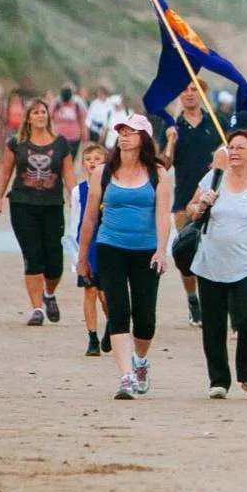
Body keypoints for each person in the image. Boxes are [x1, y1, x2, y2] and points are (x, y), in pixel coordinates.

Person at [76, 113, 173, 400]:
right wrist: (82, 257)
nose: (124, 136)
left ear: (144, 138)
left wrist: (161, 250)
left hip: (146, 251)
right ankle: (126, 376)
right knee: (118, 311)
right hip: (110, 247)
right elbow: (90, 218)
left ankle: (140, 361)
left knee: (145, 319)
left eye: (131, 131)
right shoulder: (103, 172)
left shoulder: (158, 173)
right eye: (121, 131)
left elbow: (162, 215)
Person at [186, 129, 247, 399]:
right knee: (214, 323)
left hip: (246, 265)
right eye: (231, 147)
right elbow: (190, 210)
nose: (234, 152)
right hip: (210, 262)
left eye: (241, 148)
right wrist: (201, 204)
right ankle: (218, 380)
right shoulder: (213, 178)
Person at [0, 97, 79, 325]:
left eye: (43, 112)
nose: (40, 115)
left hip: (52, 206)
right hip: (22, 205)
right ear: (28, 118)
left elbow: (69, 174)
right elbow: (5, 171)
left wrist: (76, 197)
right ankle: (37, 309)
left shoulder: (61, 144)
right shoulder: (16, 143)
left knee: (54, 262)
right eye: (36, 112)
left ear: (48, 116)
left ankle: (49, 294)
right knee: (33, 256)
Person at [160, 82, 224, 328]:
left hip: (215, 195)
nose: (189, 94)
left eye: (194, 89)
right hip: (184, 199)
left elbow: (229, 155)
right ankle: (192, 298)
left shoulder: (215, 122)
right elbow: (164, 164)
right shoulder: (173, 126)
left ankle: (212, 303)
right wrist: (171, 141)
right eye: (184, 90)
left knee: (212, 252)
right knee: (186, 252)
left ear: (203, 94)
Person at [68, 143, 109, 356]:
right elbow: (75, 222)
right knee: (90, 291)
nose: (92, 163)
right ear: (83, 164)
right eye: (88, 159)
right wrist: (77, 255)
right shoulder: (78, 191)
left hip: (107, 246)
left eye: (97, 159)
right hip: (88, 246)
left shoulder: (111, 188)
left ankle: (112, 325)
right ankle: (92, 338)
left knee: (105, 295)